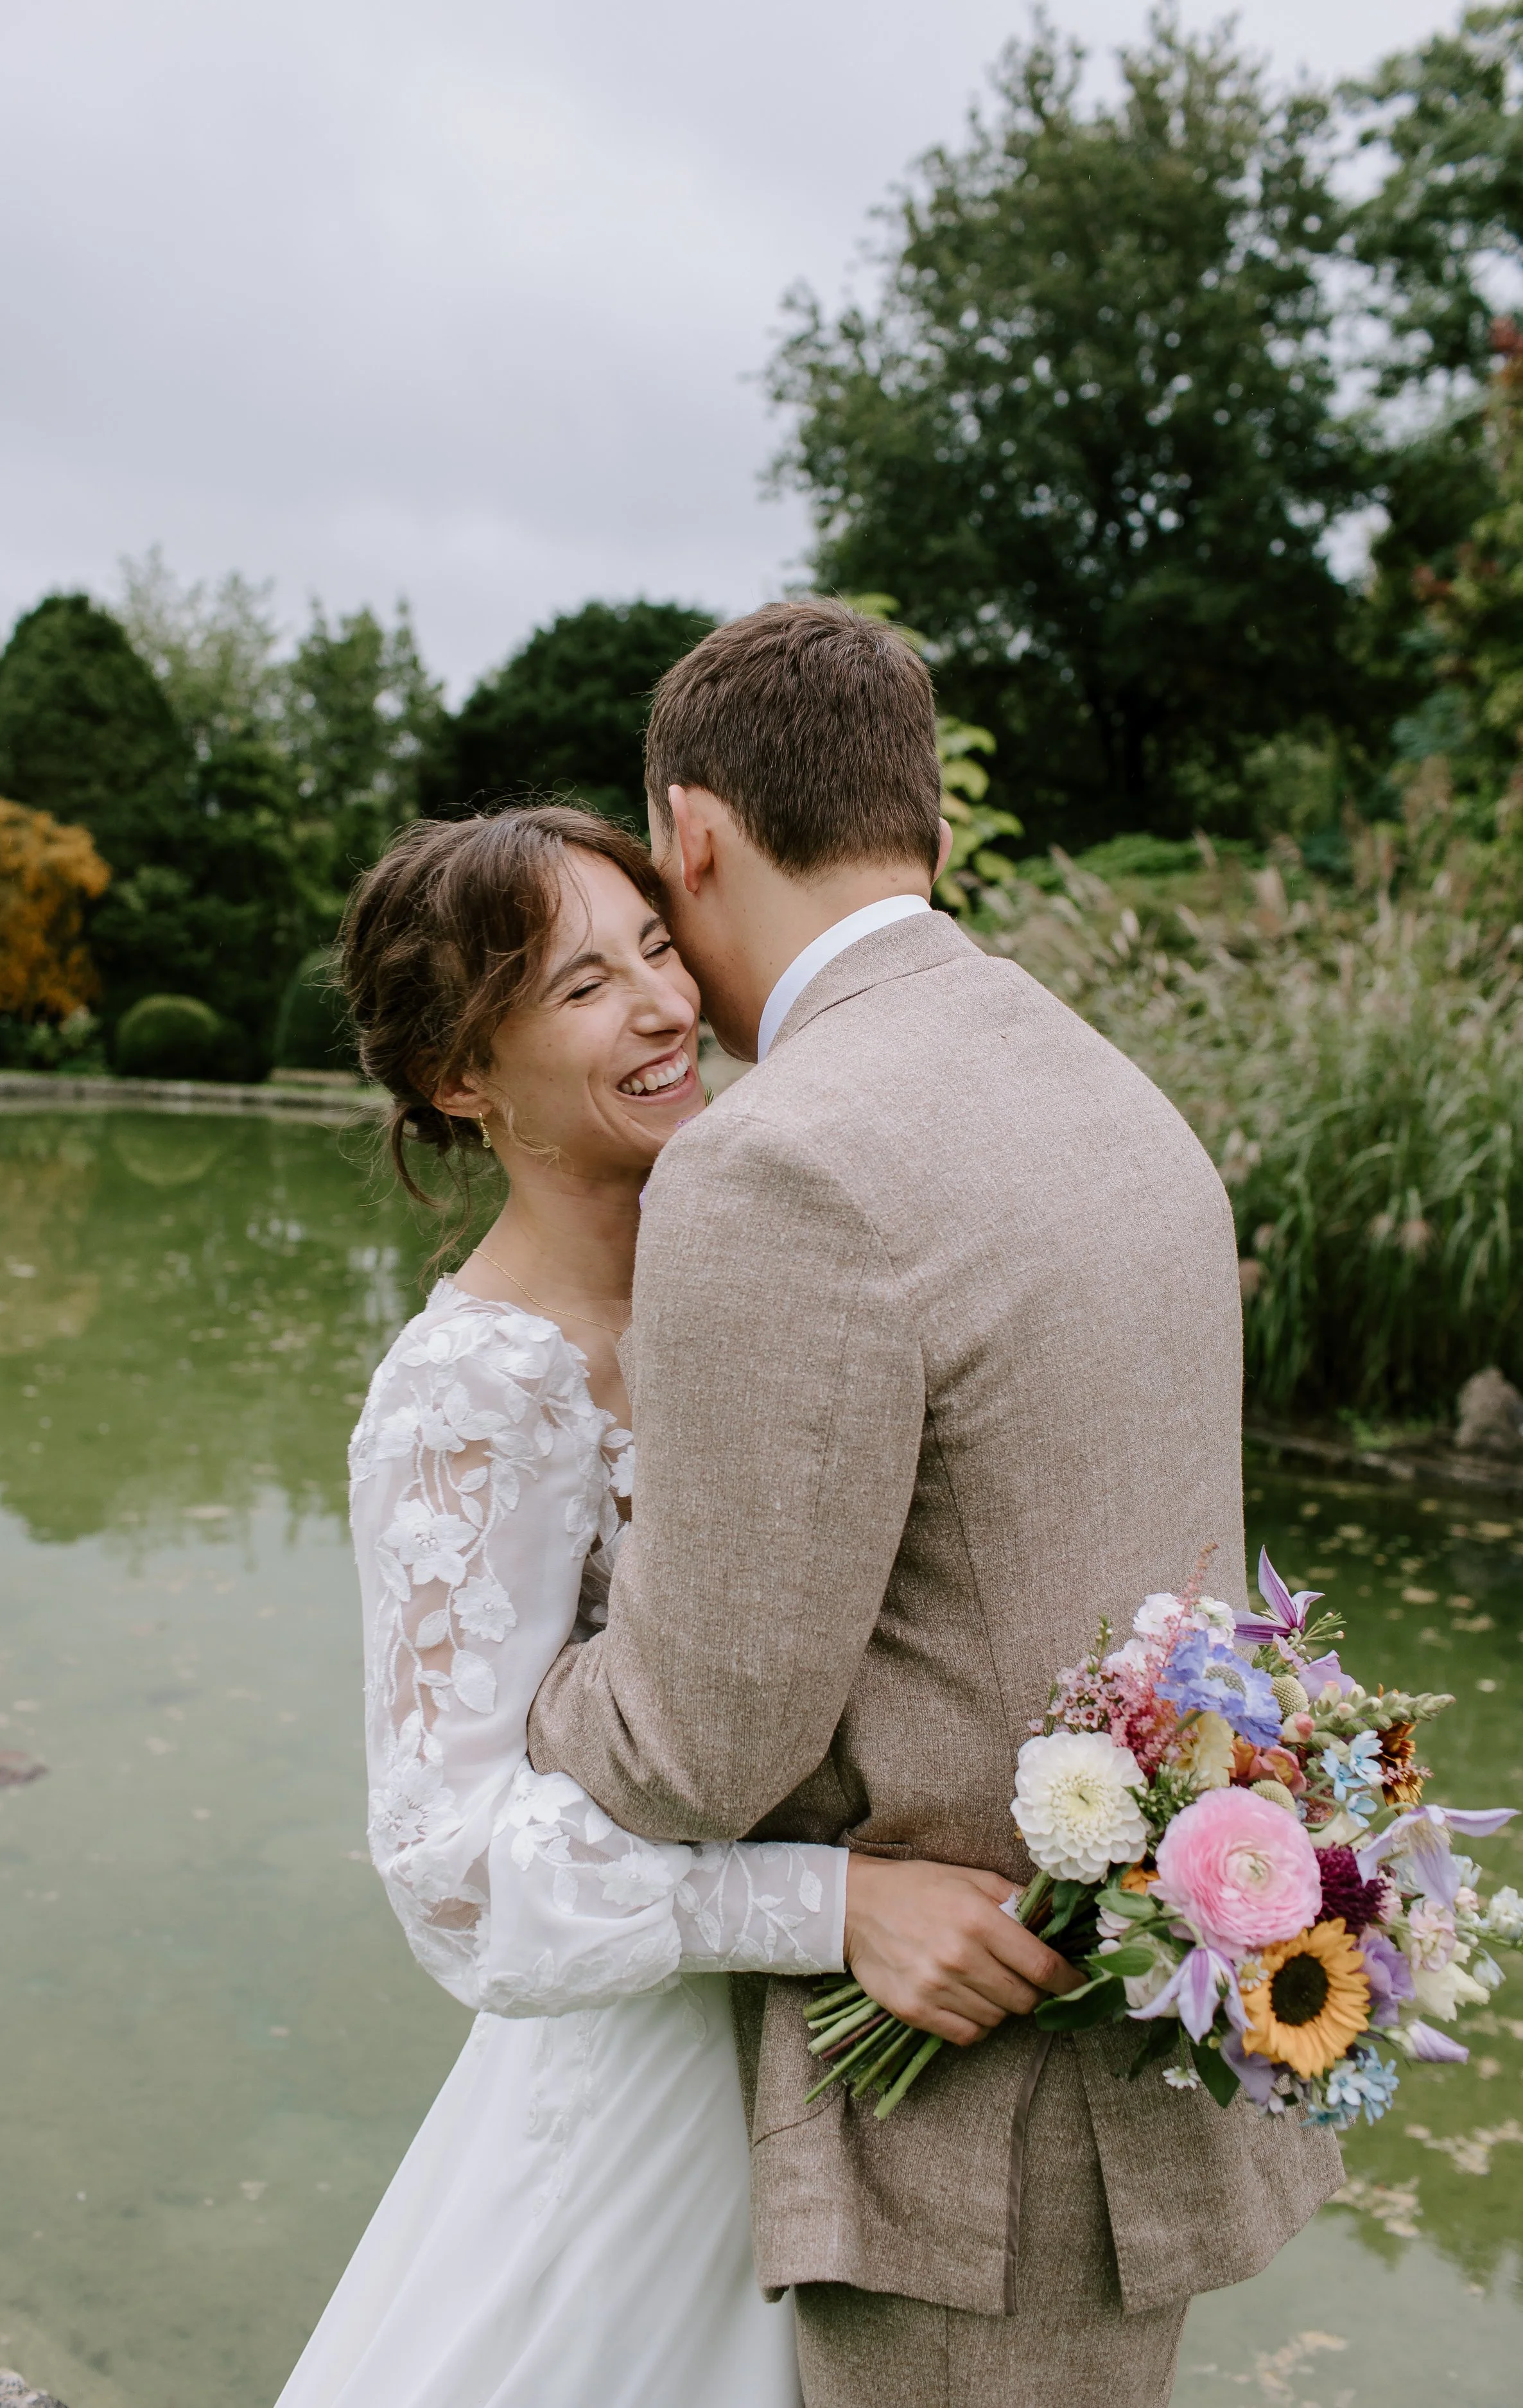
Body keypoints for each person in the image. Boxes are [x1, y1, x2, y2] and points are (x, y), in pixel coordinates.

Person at [526, 598, 1343, 2408]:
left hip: (975, 2139)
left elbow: (692, 1743)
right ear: (933, 828)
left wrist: (531, 1659)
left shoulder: (779, 1159)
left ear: (691, 831)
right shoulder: (1115, 1091)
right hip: (1143, 2066)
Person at [272, 804, 1071, 2408]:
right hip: (658, 2093)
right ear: (460, 1079)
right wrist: (831, 1909)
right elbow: (450, 1875)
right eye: (578, 986)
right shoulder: (468, 1395)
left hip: (880, 2102)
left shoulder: (784, 1252)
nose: (658, 1005)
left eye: (655, 947)